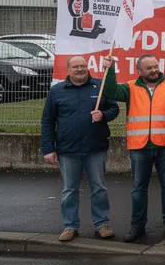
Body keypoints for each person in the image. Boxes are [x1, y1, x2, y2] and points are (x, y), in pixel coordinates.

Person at [103, 54, 165, 242]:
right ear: (139, 70)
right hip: (139, 146)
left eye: (156, 66)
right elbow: (110, 91)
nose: (154, 70)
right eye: (149, 68)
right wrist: (110, 69)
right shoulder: (130, 87)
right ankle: (137, 225)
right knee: (139, 188)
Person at [41, 56, 119, 241]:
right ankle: (70, 226)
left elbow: (114, 109)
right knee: (69, 189)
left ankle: (102, 224)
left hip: (95, 147)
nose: (80, 69)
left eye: (83, 66)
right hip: (68, 150)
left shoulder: (100, 86)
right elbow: (47, 121)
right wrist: (47, 149)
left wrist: (104, 115)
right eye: (76, 66)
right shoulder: (57, 91)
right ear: (68, 69)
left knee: (99, 188)